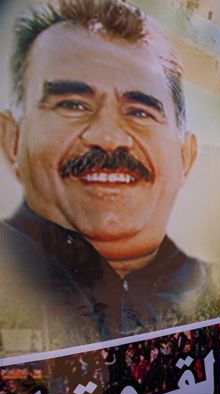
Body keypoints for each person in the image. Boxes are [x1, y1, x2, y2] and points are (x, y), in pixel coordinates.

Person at [0, 0, 208, 343]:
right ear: (12, 139)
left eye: (140, 111)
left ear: (185, 156)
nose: (109, 138)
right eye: (73, 105)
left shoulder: (219, 287)